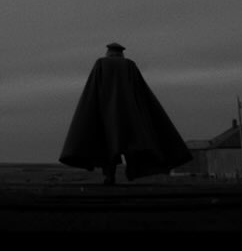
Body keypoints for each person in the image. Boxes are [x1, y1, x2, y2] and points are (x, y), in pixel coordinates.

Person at [59, 42, 193, 185]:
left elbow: (93, 87)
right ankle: (132, 171)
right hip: (130, 113)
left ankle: (110, 176)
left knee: (108, 145)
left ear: (108, 52)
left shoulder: (101, 64)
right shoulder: (129, 65)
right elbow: (139, 88)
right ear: (121, 53)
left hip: (106, 114)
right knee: (132, 144)